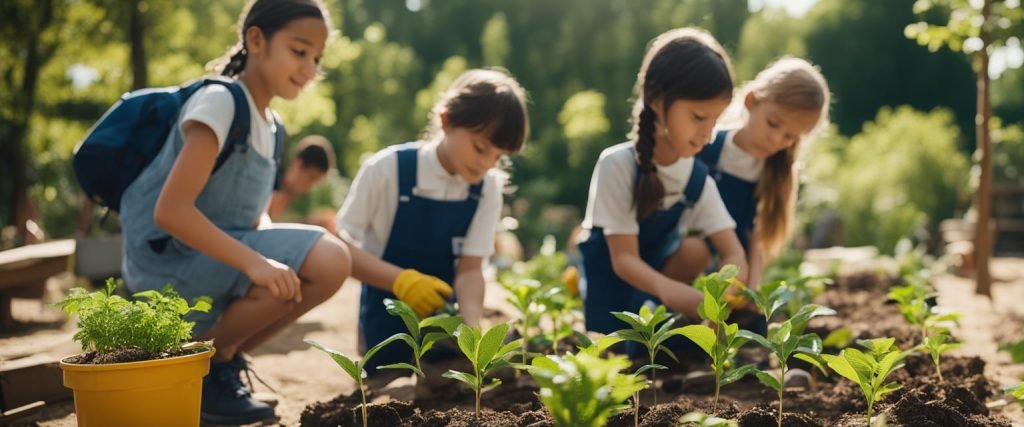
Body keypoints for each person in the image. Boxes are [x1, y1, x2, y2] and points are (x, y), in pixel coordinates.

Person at [117, 1, 347, 423]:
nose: (310, 68)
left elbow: (254, 218)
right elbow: (170, 211)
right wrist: (257, 262)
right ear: (256, 40)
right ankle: (201, 370)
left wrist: (273, 259)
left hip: (213, 257)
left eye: (317, 58)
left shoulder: (273, 128)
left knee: (304, 271)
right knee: (331, 259)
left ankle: (218, 363)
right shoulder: (221, 102)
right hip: (168, 258)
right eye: (299, 51)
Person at [336, 68, 529, 373]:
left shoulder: (487, 188)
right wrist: (401, 281)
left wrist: (470, 331)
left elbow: (470, 268)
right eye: (480, 148)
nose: (486, 163)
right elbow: (342, 250)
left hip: (443, 325)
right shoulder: (386, 170)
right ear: (446, 120)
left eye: (498, 157)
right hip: (386, 320)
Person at [576, 28, 748, 337]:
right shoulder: (617, 165)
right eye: (698, 117)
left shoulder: (696, 178)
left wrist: (725, 292)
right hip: (611, 298)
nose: (708, 135)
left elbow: (733, 253)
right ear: (655, 98)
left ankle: (658, 334)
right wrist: (669, 291)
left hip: (655, 298)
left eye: (715, 121)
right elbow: (623, 258)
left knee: (697, 250)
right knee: (617, 349)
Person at [688, 57, 831, 290]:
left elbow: (757, 237)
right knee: (693, 252)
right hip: (690, 261)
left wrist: (753, 285)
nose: (776, 140)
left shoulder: (771, 172)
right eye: (773, 124)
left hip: (735, 273)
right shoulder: (706, 145)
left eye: (790, 137)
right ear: (752, 101)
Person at [268, 134, 336, 221]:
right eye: (311, 177)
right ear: (298, 164)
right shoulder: (270, 187)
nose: (311, 186)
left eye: (316, 182)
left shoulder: (298, 200)